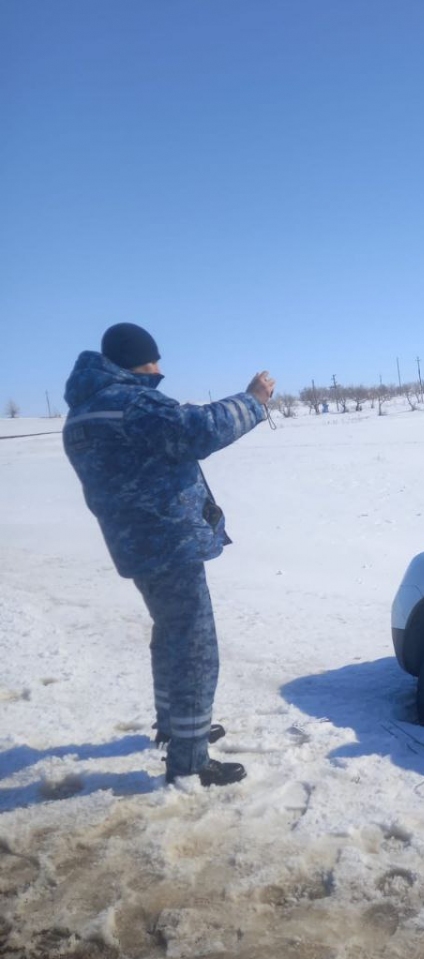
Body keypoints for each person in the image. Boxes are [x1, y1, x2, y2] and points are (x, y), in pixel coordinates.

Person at [63, 322, 275, 787]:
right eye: (152, 361)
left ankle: (175, 726)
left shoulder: (84, 411)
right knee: (196, 649)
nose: (159, 369)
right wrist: (253, 400)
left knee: (172, 637)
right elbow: (197, 430)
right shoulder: (129, 403)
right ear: (133, 361)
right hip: (167, 542)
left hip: (136, 543)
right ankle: (190, 761)